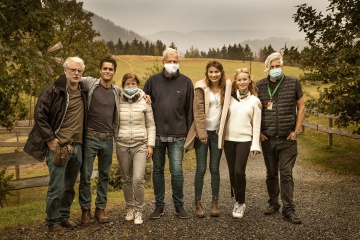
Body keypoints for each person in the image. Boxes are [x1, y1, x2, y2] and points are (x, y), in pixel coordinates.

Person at [24, 57, 87, 232]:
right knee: (56, 186)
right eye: (73, 70)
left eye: (79, 71)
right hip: (59, 147)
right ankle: (52, 221)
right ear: (65, 71)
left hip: (77, 146)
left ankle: (64, 217)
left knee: (69, 186)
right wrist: (50, 139)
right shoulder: (53, 90)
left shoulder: (83, 91)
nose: (76, 73)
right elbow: (40, 115)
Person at [143, 48, 194, 219]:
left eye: (175, 61)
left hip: (178, 135)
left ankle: (179, 205)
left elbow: (189, 111)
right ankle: (159, 206)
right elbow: (143, 106)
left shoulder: (186, 83)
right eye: (169, 61)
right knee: (157, 170)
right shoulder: (152, 81)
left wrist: (187, 135)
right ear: (163, 61)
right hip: (156, 135)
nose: (172, 64)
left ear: (179, 62)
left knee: (177, 171)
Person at [257, 52, 305, 224]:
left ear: (282, 66)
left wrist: (297, 130)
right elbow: (255, 110)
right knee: (271, 173)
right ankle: (273, 203)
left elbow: (301, 105)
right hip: (268, 138)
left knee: (286, 173)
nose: (276, 69)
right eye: (272, 66)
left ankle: (289, 209)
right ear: (267, 68)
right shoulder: (260, 86)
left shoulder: (293, 83)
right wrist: (259, 132)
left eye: (278, 66)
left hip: (287, 138)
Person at [184, 60, 231, 218]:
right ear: (207, 73)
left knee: (215, 169)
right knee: (201, 168)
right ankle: (198, 203)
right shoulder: (201, 87)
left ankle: (215, 203)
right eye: (211, 72)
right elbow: (197, 112)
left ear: (221, 72)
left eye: (216, 72)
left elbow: (245, 92)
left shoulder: (227, 87)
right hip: (201, 133)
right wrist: (202, 133)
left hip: (217, 133)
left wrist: (257, 102)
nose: (213, 75)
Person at [78, 56, 120, 224]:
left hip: (108, 139)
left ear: (114, 72)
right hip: (91, 137)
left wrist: (146, 97)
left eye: (110, 69)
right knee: (86, 175)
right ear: (100, 70)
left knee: (104, 175)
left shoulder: (117, 91)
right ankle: (85, 210)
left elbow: (133, 96)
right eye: (105, 68)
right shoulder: (90, 83)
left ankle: (100, 209)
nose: (107, 71)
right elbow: (72, 77)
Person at [116, 73, 156, 225]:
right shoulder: (117, 99)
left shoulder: (145, 101)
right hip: (122, 144)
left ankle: (139, 210)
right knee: (126, 179)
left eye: (133, 84)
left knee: (138, 179)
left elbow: (151, 125)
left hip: (140, 144)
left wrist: (150, 145)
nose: (131, 87)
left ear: (138, 85)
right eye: (128, 84)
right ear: (123, 85)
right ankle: (130, 208)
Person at [221, 68, 261, 219]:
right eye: (239, 80)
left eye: (245, 79)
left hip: (244, 140)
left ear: (249, 80)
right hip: (229, 140)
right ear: (235, 82)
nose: (242, 82)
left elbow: (256, 124)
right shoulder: (228, 99)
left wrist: (255, 145)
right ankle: (237, 199)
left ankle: (241, 203)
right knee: (232, 172)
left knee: (239, 171)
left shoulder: (255, 101)